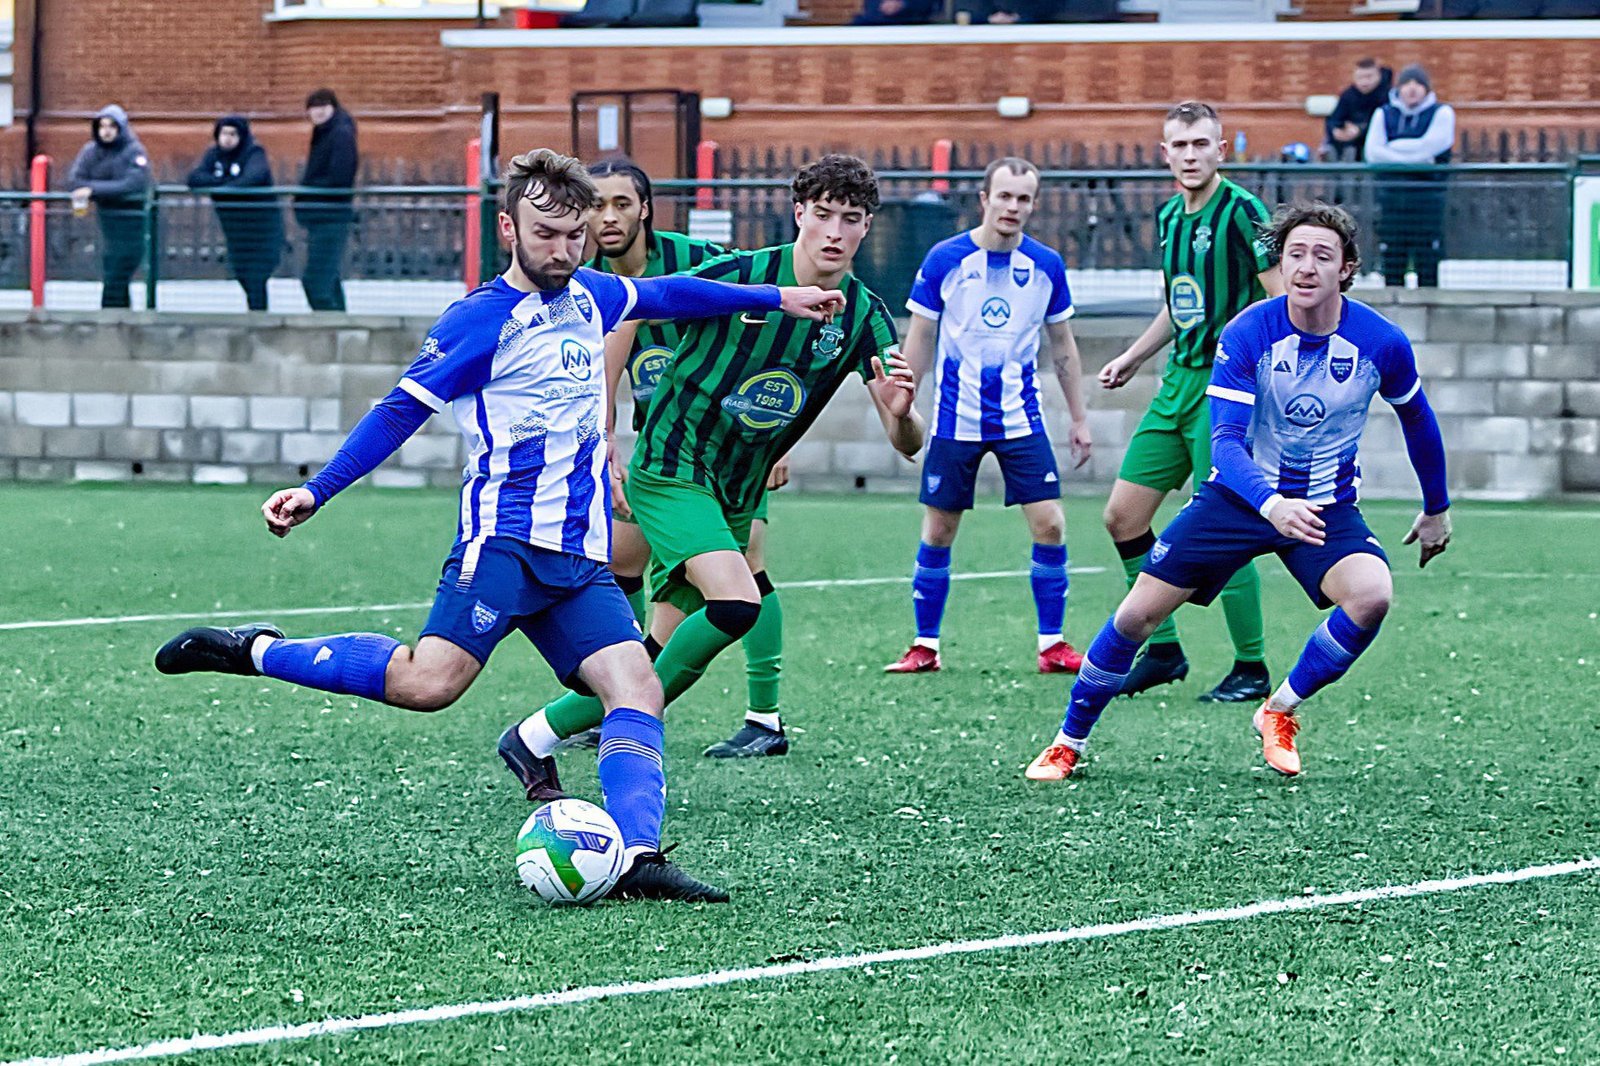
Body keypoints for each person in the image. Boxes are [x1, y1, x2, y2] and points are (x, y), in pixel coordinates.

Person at [152, 149, 848, 903]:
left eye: (576, 235)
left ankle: (638, 856)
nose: (565, 251)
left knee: (636, 688)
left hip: (576, 558)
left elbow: (669, 294)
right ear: (508, 228)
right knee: (428, 684)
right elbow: (399, 411)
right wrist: (319, 490)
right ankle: (256, 650)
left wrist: (779, 297)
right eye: (547, 234)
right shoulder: (480, 320)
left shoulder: (591, 296)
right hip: (503, 546)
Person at [509, 154, 924, 783]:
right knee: (735, 601)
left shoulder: (864, 316)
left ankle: (534, 735)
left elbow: (908, 445)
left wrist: (901, 412)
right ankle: (631, 723)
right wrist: (605, 428)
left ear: (867, 227)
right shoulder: (744, 275)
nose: (835, 231)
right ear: (799, 213)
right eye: (823, 214)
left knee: (659, 645)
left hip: (736, 488)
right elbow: (634, 312)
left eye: (851, 219)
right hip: (672, 464)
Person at [1027, 202, 1452, 782]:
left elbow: (1418, 419)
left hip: (1324, 506)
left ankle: (1278, 709)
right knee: (1136, 616)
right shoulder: (1249, 331)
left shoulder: (1382, 342)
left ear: (1346, 268)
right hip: (1238, 499)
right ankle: (1067, 742)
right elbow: (1225, 443)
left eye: (1322, 256)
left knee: (1371, 596)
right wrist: (1272, 505)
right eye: (1295, 254)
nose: (1306, 267)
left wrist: (1436, 508)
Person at [583, 158, 793, 758]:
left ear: (645, 209)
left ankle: (765, 719)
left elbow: (770, 330)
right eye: (596, 205)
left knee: (747, 565)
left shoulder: (698, 260)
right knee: (620, 560)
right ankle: (618, 695)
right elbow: (602, 365)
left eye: (622, 203)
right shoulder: (591, 280)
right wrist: (605, 442)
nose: (608, 217)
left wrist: (776, 435)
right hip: (662, 452)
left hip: (732, 446)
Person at [1098, 101, 1283, 703]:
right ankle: (1164, 650)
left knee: (1224, 522)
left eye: (1201, 144)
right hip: (1176, 382)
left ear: (1221, 150)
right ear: (1165, 153)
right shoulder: (1168, 216)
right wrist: (1134, 355)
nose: (1190, 155)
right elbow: (1180, 302)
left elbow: (1277, 300)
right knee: (1123, 516)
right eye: (1179, 145)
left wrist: (1261, 378)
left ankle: (1251, 666)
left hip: (1224, 389)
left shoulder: (1243, 210)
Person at [884, 157, 1092, 676]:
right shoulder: (945, 258)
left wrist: (1079, 418)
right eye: (1004, 196)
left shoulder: (1046, 265)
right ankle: (924, 646)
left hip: (1022, 419)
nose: (1012, 207)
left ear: (1033, 204)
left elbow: (1063, 345)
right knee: (939, 530)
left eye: (1023, 198)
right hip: (955, 419)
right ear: (984, 199)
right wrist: (902, 404)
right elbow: (921, 335)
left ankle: (1052, 645)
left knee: (1051, 525)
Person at [1366, 65, 1455, 289]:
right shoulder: (1383, 113)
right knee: (1393, 256)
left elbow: (1432, 147)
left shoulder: (1442, 113)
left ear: (1426, 88)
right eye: (1406, 84)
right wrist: (1418, 156)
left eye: (1418, 84)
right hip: (1392, 199)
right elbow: (1373, 153)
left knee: (1427, 257)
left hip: (1428, 198)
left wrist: (1393, 148)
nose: (1412, 89)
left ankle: (1430, 304)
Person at [187, 115, 283, 312]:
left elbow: (253, 178)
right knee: (242, 274)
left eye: (233, 134)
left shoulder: (254, 153)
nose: (228, 139)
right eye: (224, 133)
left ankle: (259, 319)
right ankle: (256, 316)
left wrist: (220, 185)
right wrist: (224, 182)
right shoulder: (213, 155)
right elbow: (194, 178)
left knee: (256, 277)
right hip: (235, 231)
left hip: (262, 230)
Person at [67, 105, 151, 310]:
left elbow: (133, 184)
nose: (106, 131)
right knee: (112, 267)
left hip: (133, 219)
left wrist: (93, 190)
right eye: (102, 126)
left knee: (121, 267)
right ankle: (117, 316)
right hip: (107, 218)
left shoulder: (134, 151)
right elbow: (76, 180)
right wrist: (97, 190)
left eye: (112, 126)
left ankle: (112, 314)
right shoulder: (91, 151)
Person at [295, 88, 359, 311]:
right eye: (313, 107)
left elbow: (340, 177)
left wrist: (307, 193)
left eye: (323, 106)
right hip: (322, 214)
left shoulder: (340, 133)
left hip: (330, 214)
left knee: (316, 283)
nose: (318, 111)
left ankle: (330, 326)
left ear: (333, 108)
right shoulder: (325, 132)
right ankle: (340, 325)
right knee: (328, 280)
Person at [1324, 58, 1392, 162]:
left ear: (1379, 75)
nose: (1364, 82)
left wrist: (1360, 131)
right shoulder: (1348, 95)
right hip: (1347, 142)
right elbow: (1334, 118)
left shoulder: (1388, 96)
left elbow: (1387, 124)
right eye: (1360, 77)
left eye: (1369, 77)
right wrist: (1335, 130)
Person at [851, 0, 936, 24]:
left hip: (912, 25)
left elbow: (930, 5)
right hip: (875, 25)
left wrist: (903, 5)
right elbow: (871, 9)